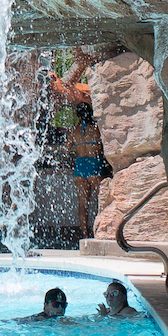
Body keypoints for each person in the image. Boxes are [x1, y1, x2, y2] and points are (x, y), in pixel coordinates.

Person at [65, 102, 104, 240]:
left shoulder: (74, 131)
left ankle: (85, 235)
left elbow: (65, 149)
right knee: (102, 201)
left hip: (80, 167)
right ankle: (102, 232)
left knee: (83, 204)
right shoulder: (97, 128)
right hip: (94, 166)